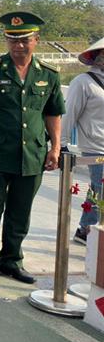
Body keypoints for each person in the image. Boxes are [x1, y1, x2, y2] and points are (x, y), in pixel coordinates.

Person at [0, 12, 65, 283]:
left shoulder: (48, 74)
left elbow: (53, 114)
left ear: (36, 40)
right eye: (12, 40)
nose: (18, 46)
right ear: (7, 41)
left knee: (20, 212)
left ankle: (12, 259)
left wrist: (55, 148)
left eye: (24, 40)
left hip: (32, 155)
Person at [64, 37, 104, 244]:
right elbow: (69, 113)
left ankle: (85, 229)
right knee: (101, 188)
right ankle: (91, 231)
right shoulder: (83, 82)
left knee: (98, 189)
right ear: (98, 57)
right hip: (96, 147)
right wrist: (61, 144)